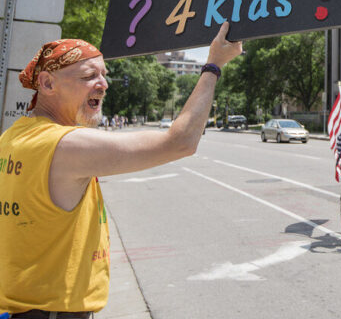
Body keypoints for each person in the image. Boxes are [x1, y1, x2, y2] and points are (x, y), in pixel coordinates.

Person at [0, 22, 242, 318]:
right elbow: (179, 142)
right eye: (89, 76)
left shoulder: (13, 136)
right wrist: (213, 64)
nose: (103, 84)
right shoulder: (65, 145)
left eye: (104, 74)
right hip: (52, 312)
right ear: (48, 84)